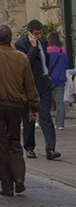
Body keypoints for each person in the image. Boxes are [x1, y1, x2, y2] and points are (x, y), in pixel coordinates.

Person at [0, 24, 40, 196]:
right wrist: (35, 107)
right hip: (16, 106)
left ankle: (7, 185)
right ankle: (19, 177)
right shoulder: (21, 58)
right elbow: (30, 85)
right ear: (11, 38)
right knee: (14, 141)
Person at [15, 19, 60, 160]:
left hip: (44, 81)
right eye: (36, 33)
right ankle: (29, 148)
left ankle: (50, 148)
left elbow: (44, 60)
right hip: (30, 84)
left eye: (40, 33)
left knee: (45, 115)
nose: (39, 36)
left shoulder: (44, 43)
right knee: (30, 116)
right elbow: (25, 62)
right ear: (30, 33)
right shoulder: (21, 44)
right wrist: (33, 47)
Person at [47, 32, 68, 130]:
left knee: (44, 101)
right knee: (60, 102)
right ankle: (60, 124)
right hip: (60, 79)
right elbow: (66, 65)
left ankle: (41, 122)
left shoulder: (46, 51)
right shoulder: (63, 52)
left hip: (49, 79)